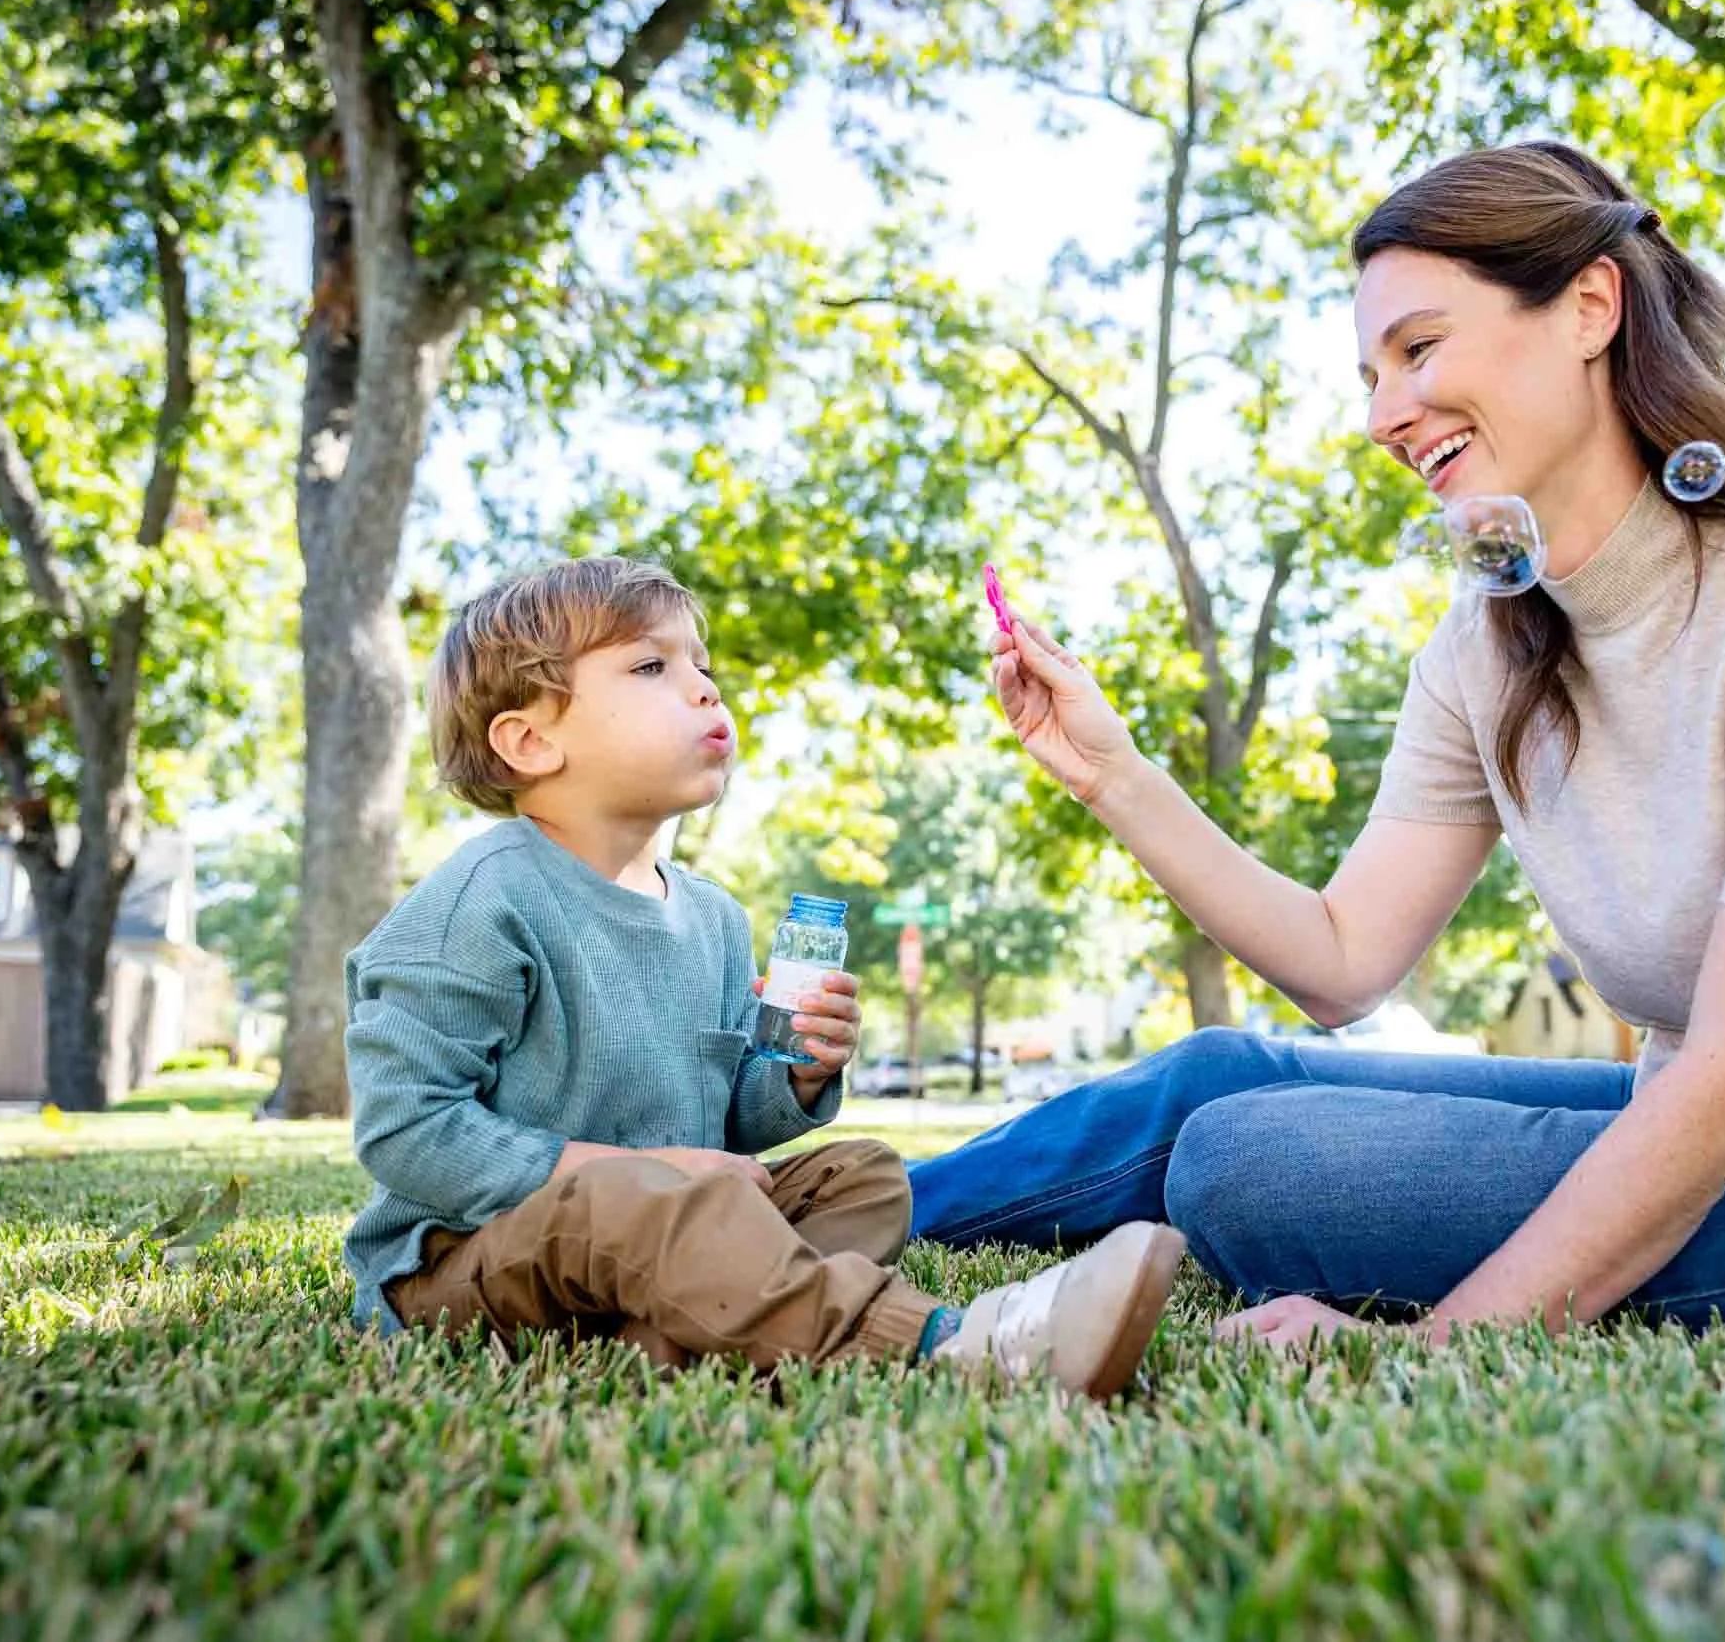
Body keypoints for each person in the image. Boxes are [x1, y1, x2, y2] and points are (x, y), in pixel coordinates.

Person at [908, 141, 1725, 1349]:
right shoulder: (1489, 642)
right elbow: (1342, 961)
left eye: (1419, 349)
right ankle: (803, 1213)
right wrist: (1114, 773)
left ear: (1590, 306)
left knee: (1247, 1158)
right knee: (1212, 1076)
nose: (1386, 414)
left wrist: (1432, 1342)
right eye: (1369, 375)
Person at [339, 555, 1184, 1399]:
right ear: (531, 739)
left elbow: (727, 1113)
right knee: (644, 1206)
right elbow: (406, 1129)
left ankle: (684, 1328)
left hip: (654, 1233)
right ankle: (955, 1343)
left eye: (701, 665)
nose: (705, 689)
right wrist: (645, 1172)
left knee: (866, 1176)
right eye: (650, 666)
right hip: (467, 1265)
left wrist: (799, 1073)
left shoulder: (708, 916)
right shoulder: (480, 904)